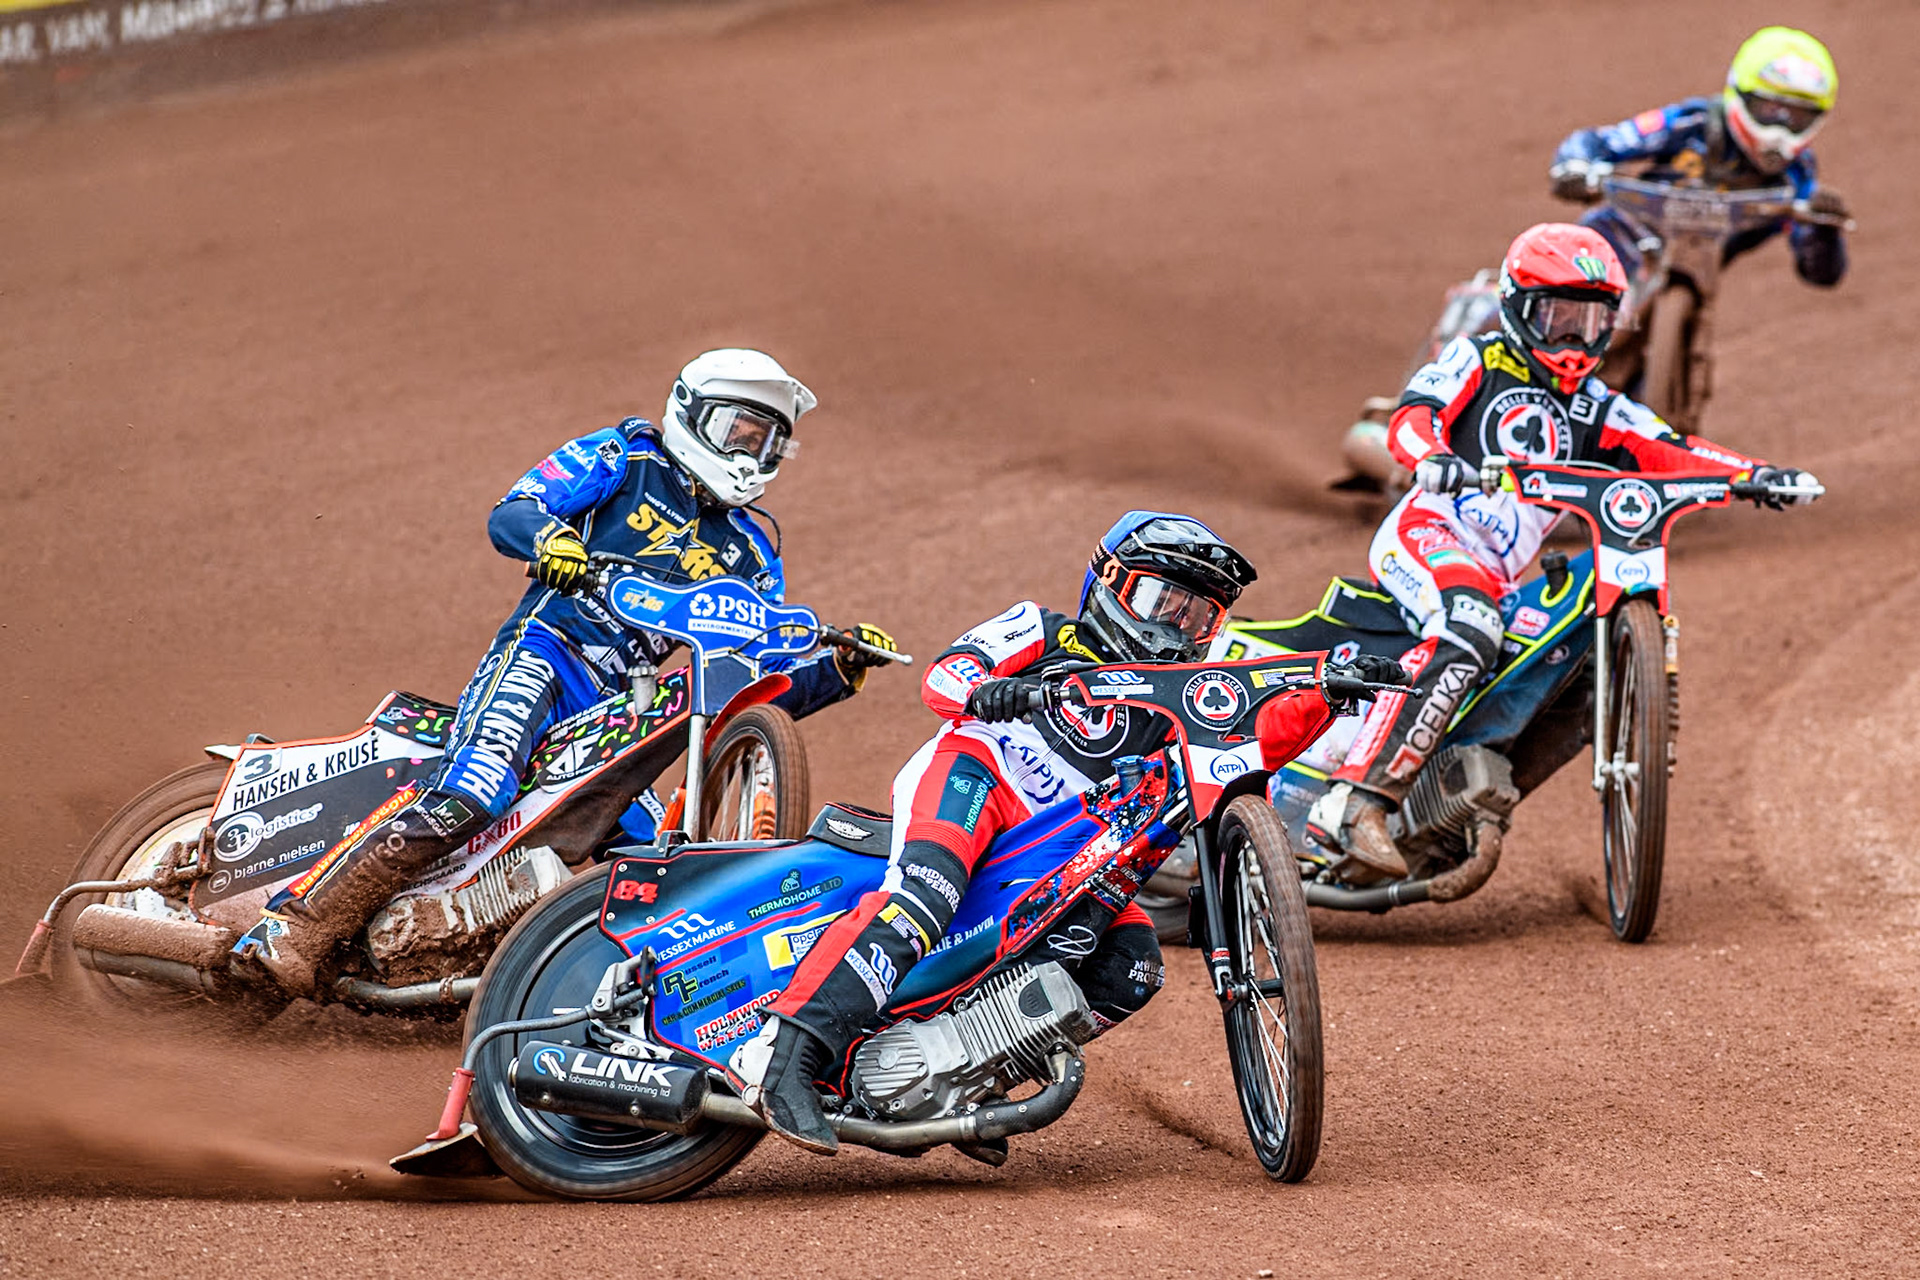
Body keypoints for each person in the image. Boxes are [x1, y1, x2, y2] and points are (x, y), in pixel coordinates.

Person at [234, 349, 898, 995]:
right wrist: (551, 538)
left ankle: (504, 970)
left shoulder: (752, 551)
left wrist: (835, 668)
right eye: (738, 432)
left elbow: (752, 675)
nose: (750, 456)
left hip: (620, 709)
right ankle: (290, 927)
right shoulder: (625, 457)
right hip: (545, 653)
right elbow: (517, 509)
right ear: (691, 414)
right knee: (476, 788)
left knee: (642, 861)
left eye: (767, 444)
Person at [728, 511, 1368, 1155]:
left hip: (1061, 847)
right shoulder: (1043, 627)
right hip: (978, 776)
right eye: (1161, 600)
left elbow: (1261, 727)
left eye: (1198, 616)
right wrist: (988, 691)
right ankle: (785, 1055)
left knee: (1132, 967)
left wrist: (1332, 689)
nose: (1177, 627)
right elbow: (946, 673)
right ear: (1111, 583)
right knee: (924, 895)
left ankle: (964, 1077)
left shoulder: (1189, 692)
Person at [1307, 224, 1820, 879]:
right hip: (1430, 533)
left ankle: (1454, 812)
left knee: (1573, 659)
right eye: (1559, 316)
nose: (1575, 337)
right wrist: (1430, 457)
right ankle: (1354, 802)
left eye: (1592, 319)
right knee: (1468, 628)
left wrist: (1755, 476)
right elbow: (1415, 413)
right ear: (1521, 308)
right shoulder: (1479, 360)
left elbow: (1673, 449)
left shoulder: (1600, 406)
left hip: (1497, 570)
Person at [1548, 26, 1847, 290]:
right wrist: (1577, 166)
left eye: (1797, 117)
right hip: (1622, 237)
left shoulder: (1796, 173)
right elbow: (1606, 141)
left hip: (1696, 273)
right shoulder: (1692, 123)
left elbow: (1819, 272)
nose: (1780, 129)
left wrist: (1825, 231)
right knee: (1569, 273)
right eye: (1770, 110)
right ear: (1740, 94)